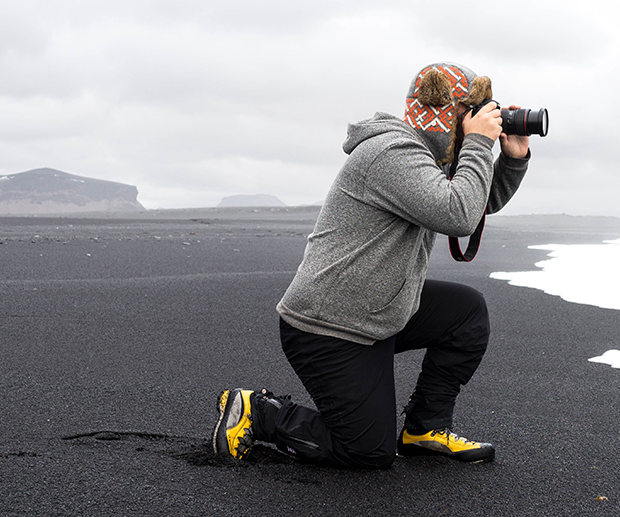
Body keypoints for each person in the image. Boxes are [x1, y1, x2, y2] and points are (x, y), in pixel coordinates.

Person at [213, 63, 530, 468]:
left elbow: (475, 204)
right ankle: (258, 412)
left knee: (466, 313)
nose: (481, 119)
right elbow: (458, 214)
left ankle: (423, 429)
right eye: (474, 110)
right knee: (365, 452)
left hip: (377, 311)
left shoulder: (425, 157)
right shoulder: (391, 153)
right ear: (449, 112)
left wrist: (513, 158)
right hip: (329, 326)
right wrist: (479, 146)